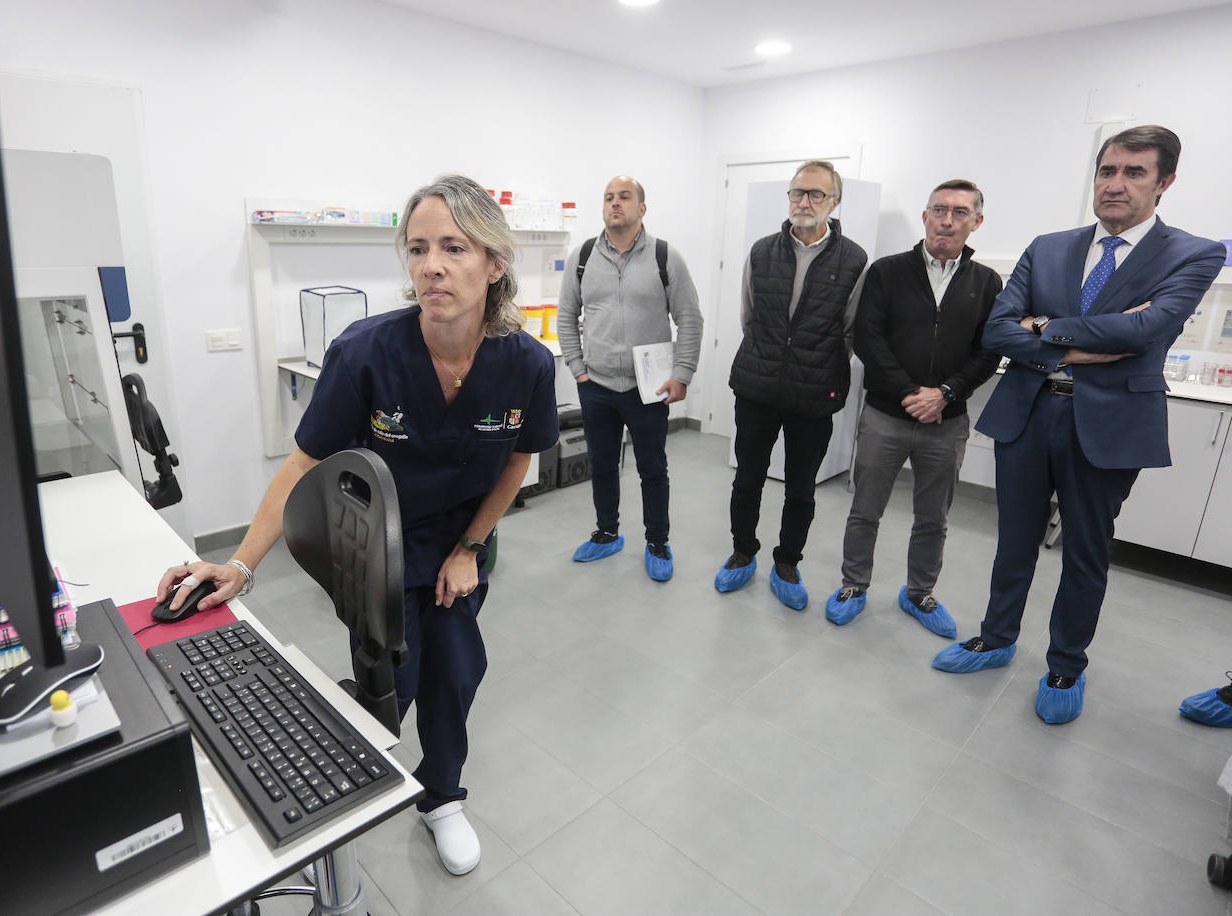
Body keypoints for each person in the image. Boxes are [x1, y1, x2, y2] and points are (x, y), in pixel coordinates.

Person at [155, 175, 558, 875]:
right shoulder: (368, 351)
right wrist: (241, 566)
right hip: (378, 548)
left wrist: (469, 547)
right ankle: (336, 765)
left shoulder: (525, 362)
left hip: (458, 549)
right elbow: (300, 467)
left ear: (495, 264)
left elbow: (519, 460)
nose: (431, 265)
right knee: (391, 682)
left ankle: (441, 796)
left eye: (455, 248)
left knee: (456, 672)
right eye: (419, 248)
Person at [932, 126, 1225, 724]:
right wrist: (1074, 345)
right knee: (1013, 537)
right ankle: (996, 636)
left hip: (1110, 422)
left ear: (1164, 182)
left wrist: (1044, 328)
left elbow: (1148, 331)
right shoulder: (1050, 246)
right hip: (1028, 412)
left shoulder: (1193, 253)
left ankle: (1066, 662)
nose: (1115, 185)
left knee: (1085, 550)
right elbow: (996, 330)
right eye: (1107, 171)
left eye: (1134, 173)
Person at [824, 180, 1002, 634]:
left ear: (976, 221)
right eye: (939, 209)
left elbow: (988, 350)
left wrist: (945, 393)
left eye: (960, 212)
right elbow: (868, 338)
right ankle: (853, 584)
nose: (947, 220)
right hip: (886, 415)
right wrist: (909, 393)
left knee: (933, 518)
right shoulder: (887, 271)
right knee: (865, 508)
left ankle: (919, 592)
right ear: (925, 216)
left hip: (947, 422)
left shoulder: (986, 283)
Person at [716, 160, 868, 608]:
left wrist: (816, 366)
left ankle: (787, 561)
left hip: (814, 393)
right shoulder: (762, 252)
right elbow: (749, 317)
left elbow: (850, 331)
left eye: (816, 194)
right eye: (797, 193)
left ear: (834, 202)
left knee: (801, 488)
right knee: (747, 478)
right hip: (758, 387)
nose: (804, 202)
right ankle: (743, 551)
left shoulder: (855, 259)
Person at [557, 175, 703, 581]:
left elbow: (689, 319)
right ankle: (607, 533)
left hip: (648, 388)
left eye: (624, 197)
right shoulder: (583, 256)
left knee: (652, 468)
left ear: (642, 208)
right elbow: (565, 315)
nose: (614, 204)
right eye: (608, 198)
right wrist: (578, 368)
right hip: (597, 386)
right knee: (602, 465)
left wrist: (682, 373)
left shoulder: (664, 256)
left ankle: (657, 541)